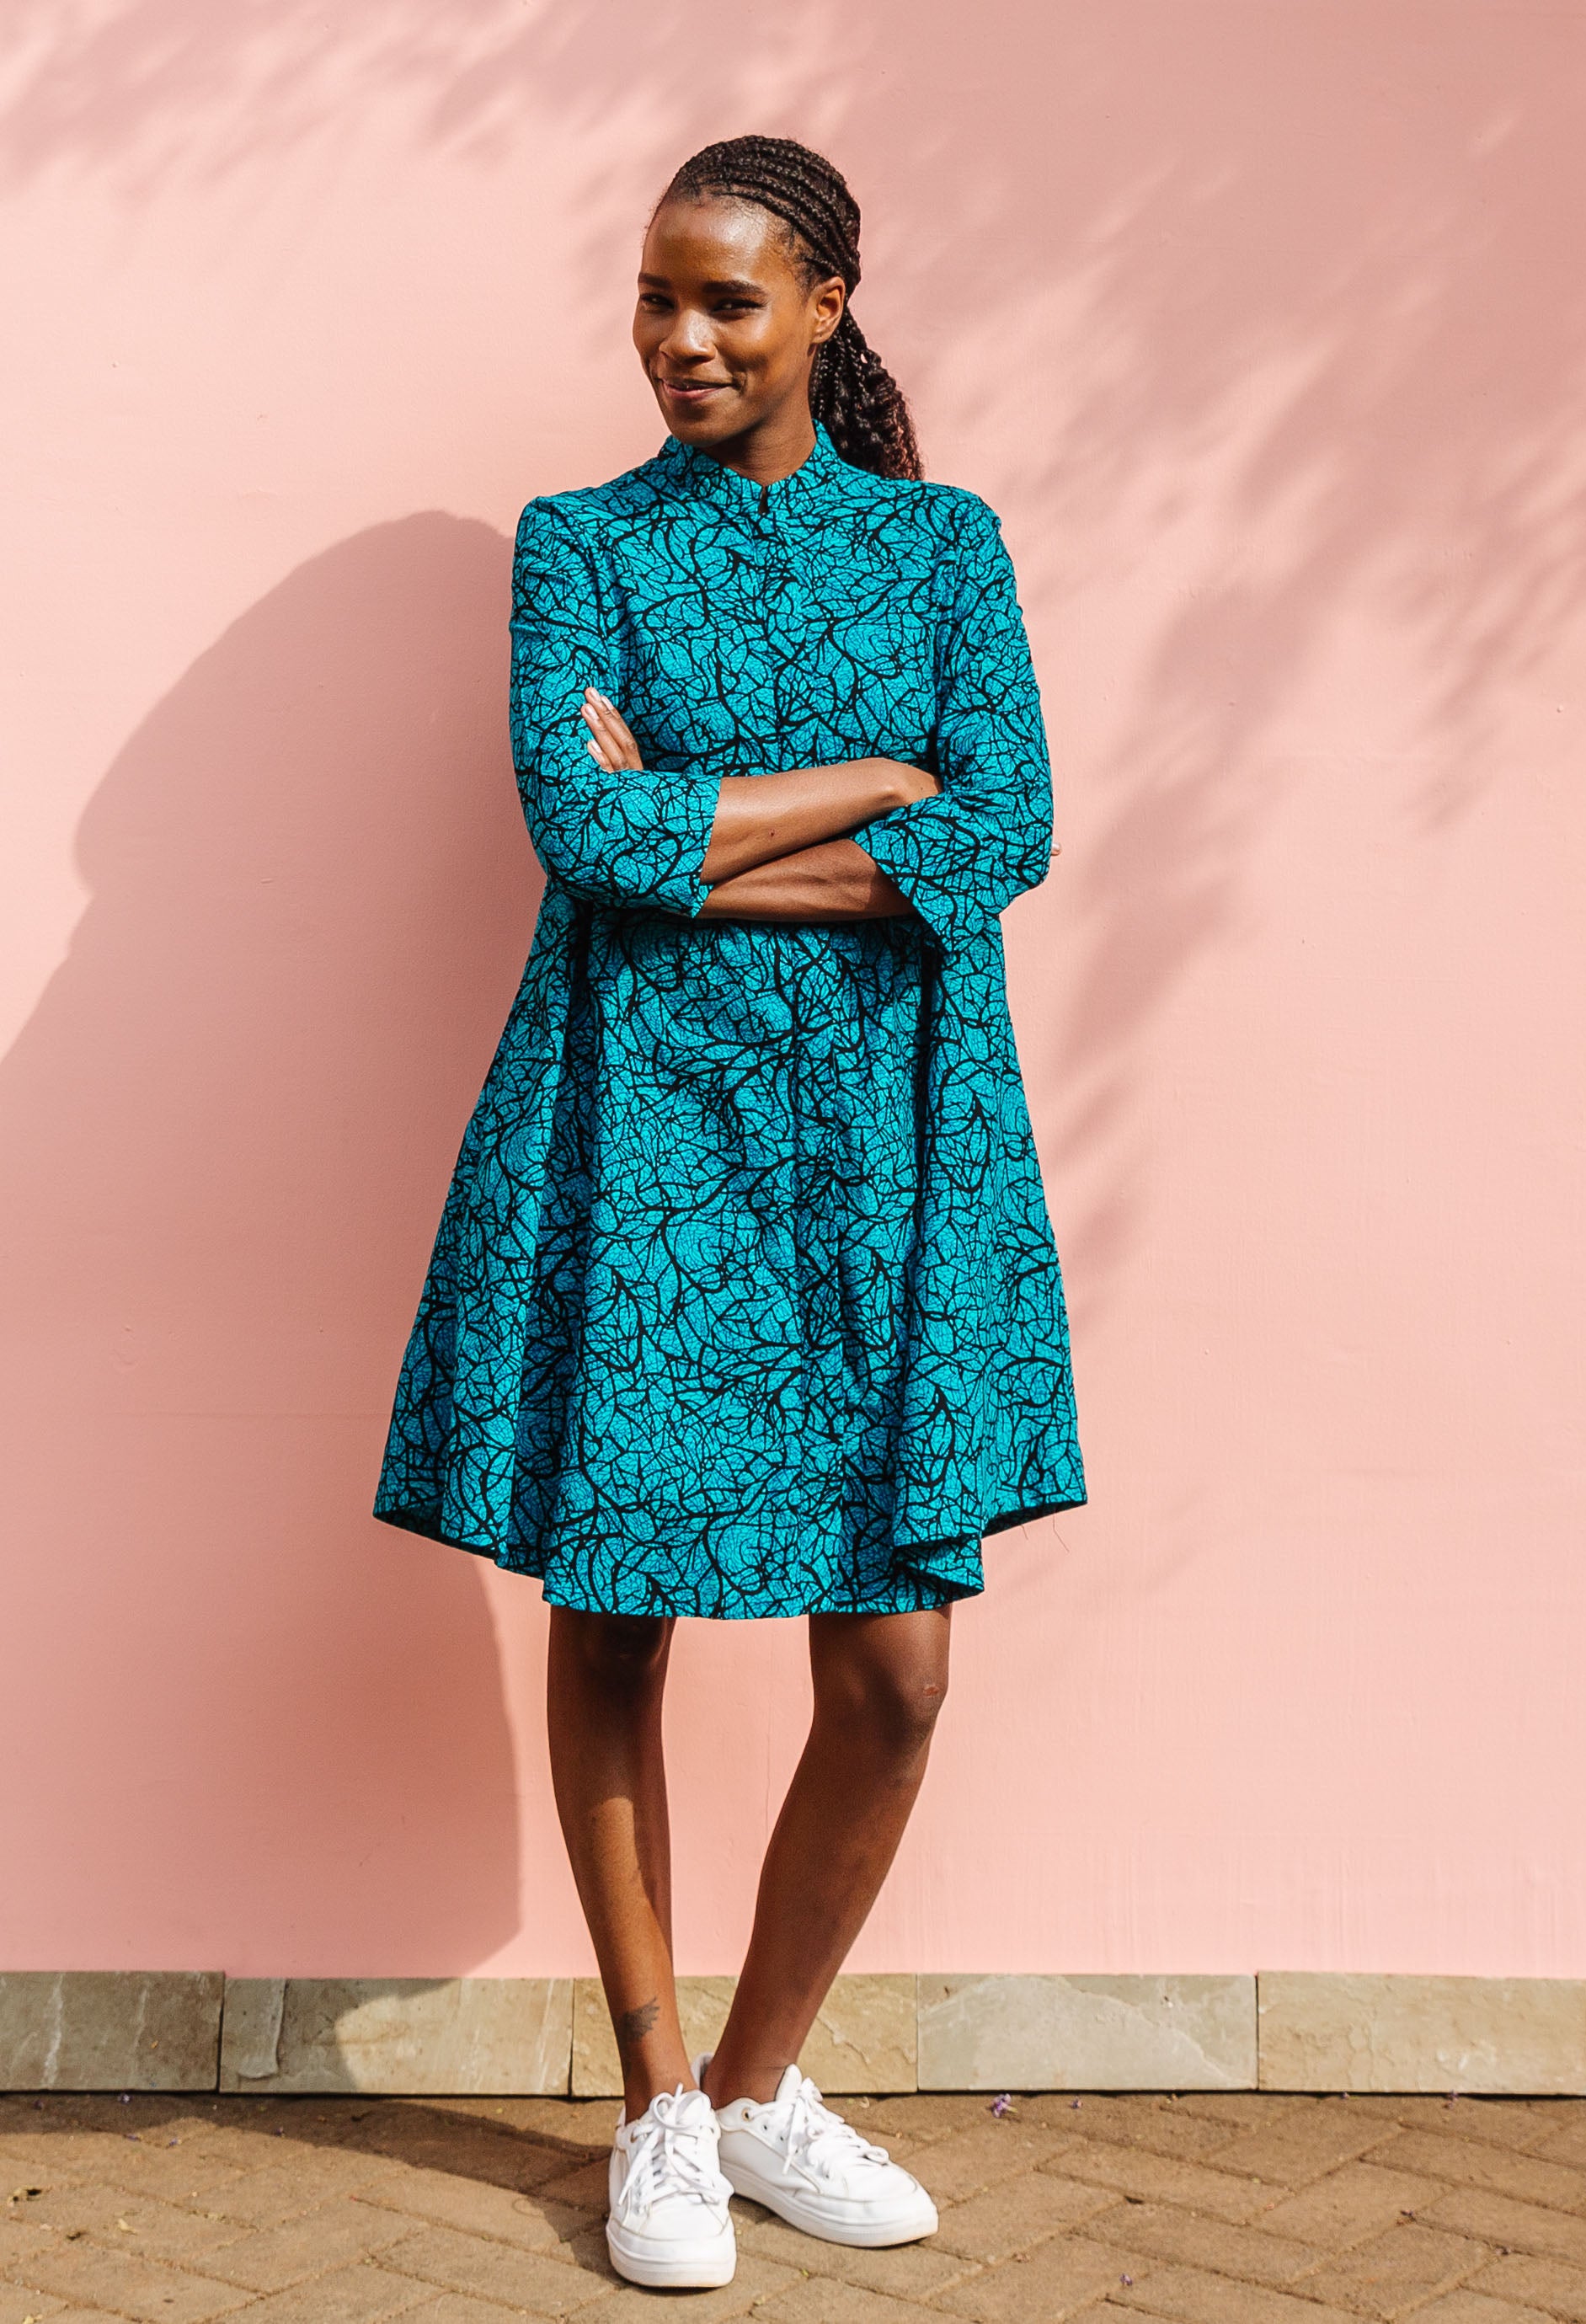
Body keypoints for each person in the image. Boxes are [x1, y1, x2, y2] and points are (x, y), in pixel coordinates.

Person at [374, 133, 1085, 2290]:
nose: (682, 339)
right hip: (641, 1130)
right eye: (656, 299)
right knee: (624, 1608)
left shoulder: (943, 548)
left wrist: (702, 833)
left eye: (730, 303)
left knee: (888, 1669)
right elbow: (580, 835)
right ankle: (656, 2101)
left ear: (827, 306)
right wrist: (880, 786)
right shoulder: (575, 543)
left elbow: (1017, 820)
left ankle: (767, 2085)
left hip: (886, 1140)